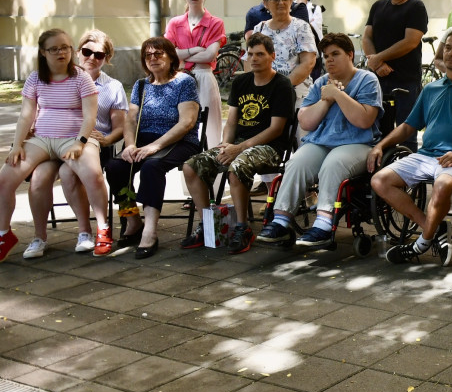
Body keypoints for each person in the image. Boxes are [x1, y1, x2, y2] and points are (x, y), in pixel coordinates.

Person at [369, 30, 452, 262]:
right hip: (425, 156)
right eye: (447, 47)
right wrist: (381, 145)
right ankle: (433, 228)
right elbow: (408, 127)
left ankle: (419, 245)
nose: (450, 53)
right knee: (379, 180)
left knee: (442, 184)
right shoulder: (431, 89)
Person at [256, 33, 382, 250]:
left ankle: (323, 223)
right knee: (296, 163)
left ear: (350, 55)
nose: (329, 60)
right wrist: (327, 99)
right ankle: (281, 220)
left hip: (358, 143)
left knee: (334, 163)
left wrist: (338, 94)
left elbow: (363, 120)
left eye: (335, 54)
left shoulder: (367, 80)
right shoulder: (321, 82)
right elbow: (306, 121)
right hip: (322, 142)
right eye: (326, 56)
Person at [0, 30, 114, 262]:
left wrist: (80, 142)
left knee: (92, 174)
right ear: (43, 52)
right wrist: (17, 145)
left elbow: (90, 116)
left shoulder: (80, 77)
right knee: (7, 177)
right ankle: (8, 234)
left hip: (75, 137)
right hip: (42, 139)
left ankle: (102, 229)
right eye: (54, 49)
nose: (61, 52)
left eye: (65, 47)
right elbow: (26, 115)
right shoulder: (35, 78)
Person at [180, 33, 294, 255]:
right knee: (190, 167)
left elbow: (276, 129)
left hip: (270, 147)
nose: (254, 58)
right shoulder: (241, 81)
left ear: (272, 56)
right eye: (250, 54)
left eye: (260, 54)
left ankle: (242, 228)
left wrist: (238, 149)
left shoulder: (282, 85)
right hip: (237, 145)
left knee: (237, 167)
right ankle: (208, 224)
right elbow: (231, 122)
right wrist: (225, 146)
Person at [26, 30, 127, 256]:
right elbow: (40, 109)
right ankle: (38, 237)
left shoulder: (113, 87)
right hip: (54, 143)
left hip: (91, 145)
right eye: (87, 51)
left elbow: (120, 127)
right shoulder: (56, 76)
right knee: (39, 177)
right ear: (78, 51)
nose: (92, 57)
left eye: (99, 54)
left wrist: (107, 139)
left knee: (69, 172)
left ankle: (87, 232)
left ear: (106, 58)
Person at [103, 38, 201, 259]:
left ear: (170, 56)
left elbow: (187, 122)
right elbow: (130, 119)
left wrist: (154, 146)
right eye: (148, 55)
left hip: (179, 141)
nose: (153, 58)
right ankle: (133, 219)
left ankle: (150, 231)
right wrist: (129, 146)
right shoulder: (141, 85)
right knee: (115, 166)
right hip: (144, 140)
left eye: (159, 54)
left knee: (152, 166)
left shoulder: (184, 82)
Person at [363, 0, 429, 138]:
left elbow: (410, 41)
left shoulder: (416, 7)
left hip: (405, 81)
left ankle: (406, 166)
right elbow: (367, 36)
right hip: (378, 80)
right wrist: (376, 63)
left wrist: (378, 58)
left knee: (405, 134)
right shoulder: (377, 6)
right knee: (376, 133)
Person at [165, 0, 226, 149]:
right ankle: (187, 170)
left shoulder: (215, 23)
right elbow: (169, 54)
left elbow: (209, 56)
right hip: (180, 77)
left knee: (210, 127)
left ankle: (212, 171)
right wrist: (194, 50)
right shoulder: (175, 23)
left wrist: (182, 55)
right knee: (183, 123)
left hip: (204, 76)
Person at [250, 0, 318, 102]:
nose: (281, 2)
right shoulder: (259, 28)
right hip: (264, 94)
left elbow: (308, 63)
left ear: (291, 1)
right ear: (265, 3)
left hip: (295, 94)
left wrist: (280, 87)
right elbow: (250, 61)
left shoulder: (301, 27)